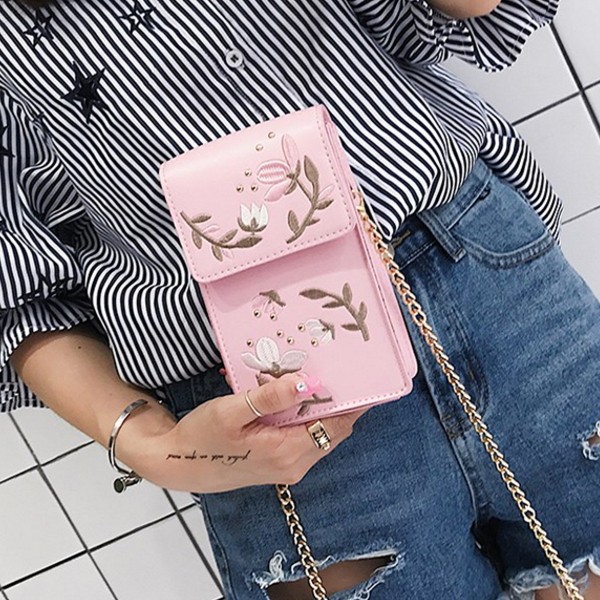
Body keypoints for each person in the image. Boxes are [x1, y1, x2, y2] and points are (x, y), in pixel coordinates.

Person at [1, 0, 598, 598]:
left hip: (485, 278)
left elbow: (451, 16)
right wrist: (155, 448)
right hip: (267, 395)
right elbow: (18, 296)